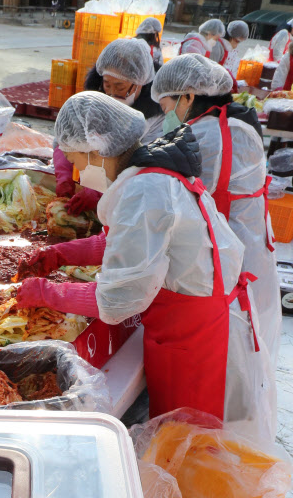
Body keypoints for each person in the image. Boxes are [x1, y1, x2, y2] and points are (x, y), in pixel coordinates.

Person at [17, 92, 275, 441]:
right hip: (193, 319)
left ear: (97, 150)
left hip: (193, 337)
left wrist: (45, 293)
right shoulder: (148, 174)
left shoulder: (145, 189)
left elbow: (119, 301)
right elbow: (126, 243)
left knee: (187, 443)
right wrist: (62, 254)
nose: (77, 170)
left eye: (76, 159)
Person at [151, 55, 281, 366]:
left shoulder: (208, 133)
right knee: (249, 344)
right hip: (252, 240)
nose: (166, 114)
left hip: (233, 251)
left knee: (231, 348)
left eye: (167, 106)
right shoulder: (238, 120)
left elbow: (178, 197)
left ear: (189, 96)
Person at [53, 38, 161, 213]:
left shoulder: (156, 118)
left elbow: (143, 166)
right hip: (89, 183)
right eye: (107, 84)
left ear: (141, 82)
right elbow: (66, 135)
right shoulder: (94, 99)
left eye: (120, 87)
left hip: (125, 198)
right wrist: (64, 176)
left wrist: (99, 193)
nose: (111, 93)